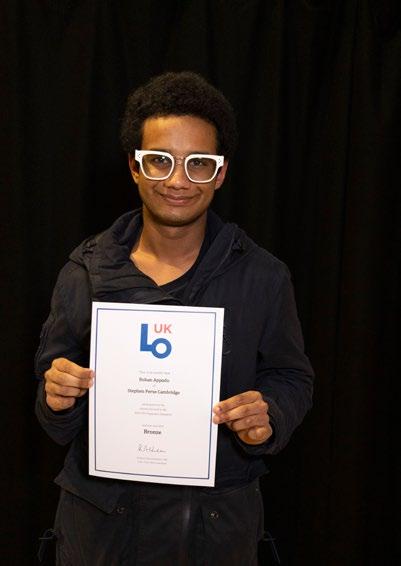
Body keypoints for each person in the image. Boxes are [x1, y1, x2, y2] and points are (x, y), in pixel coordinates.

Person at [35, 71, 314, 566]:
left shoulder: (263, 276)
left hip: (214, 532)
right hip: (101, 534)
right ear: (134, 167)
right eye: (160, 160)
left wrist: (269, 415)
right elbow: (52, 411)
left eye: (198, 163)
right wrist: (57, 397)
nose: (178, 181)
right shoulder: (85, 271)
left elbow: (292, 376)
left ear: (220, 173)